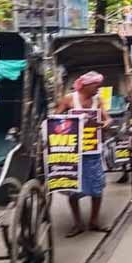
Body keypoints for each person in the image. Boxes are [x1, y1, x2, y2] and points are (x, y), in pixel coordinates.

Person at [55, 71, 111, 236]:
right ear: (86, 85)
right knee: (73, 188)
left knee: (97, 187)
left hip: (93, 149)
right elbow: (56, 116)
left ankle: (94, 221)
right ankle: (78, 223)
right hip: (73, 151)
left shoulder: (98, 100)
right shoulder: (69, 98)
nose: (98, 88)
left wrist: (104, 124)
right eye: (96, 85)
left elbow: (108, 119)